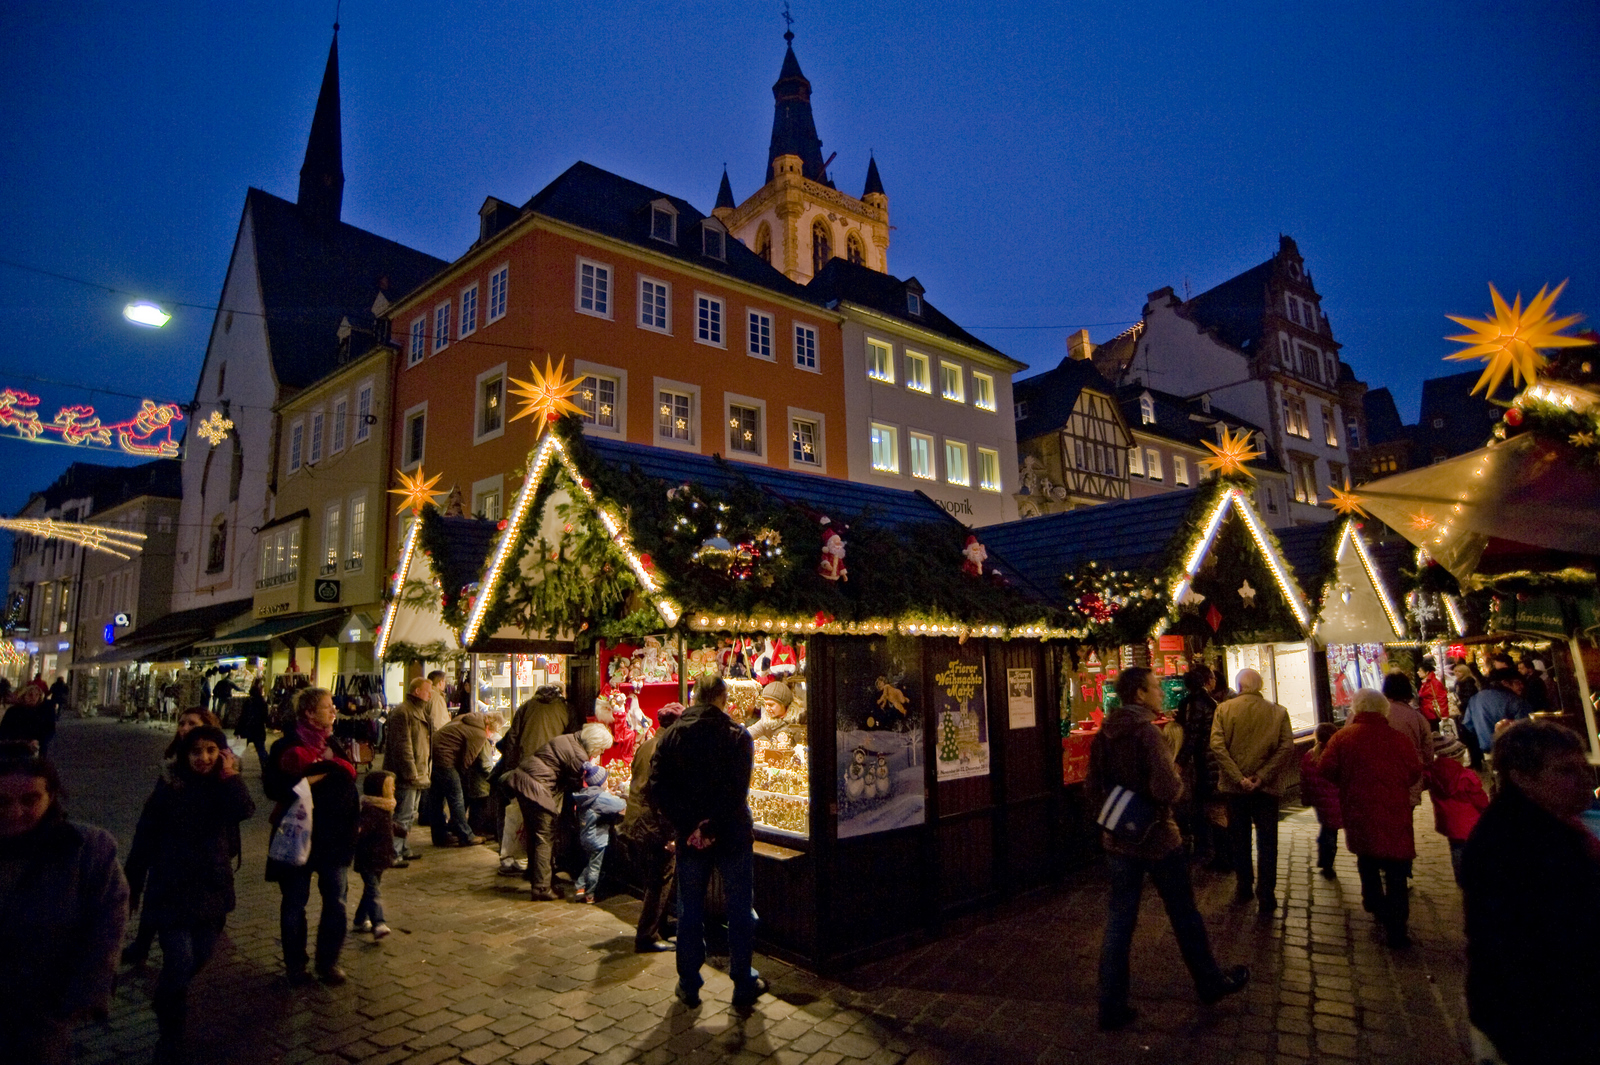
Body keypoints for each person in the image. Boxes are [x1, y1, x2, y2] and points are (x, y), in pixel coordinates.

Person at [1087, 667, 1249, 1031]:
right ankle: (1209, 982)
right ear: (1140, 695)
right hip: (1159, 839)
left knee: (1119, 920)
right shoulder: (1147, 733)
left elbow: (1092, 788)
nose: (1162, 693)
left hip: (1118, 841)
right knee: (1184, 913)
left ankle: (1111, 1004)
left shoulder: (1105, 734)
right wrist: (1177, 787)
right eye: (1156, 688)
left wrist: (1114, 818)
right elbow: (1165, 789)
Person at [1463, 721, 1600, 1065]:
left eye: (1584, 767)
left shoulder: (1552, 824)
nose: (1586, 779)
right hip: (1544, 1018)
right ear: (1522, 778)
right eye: (1566, 771)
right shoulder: (1521, 846)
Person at [124, 725, 255, 1063]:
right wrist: (133, 881)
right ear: (185, 754)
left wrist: (229, 773)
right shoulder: (170, 785)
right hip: (171, 886)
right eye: (197, 752)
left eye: (212, 751)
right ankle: (170, 1032)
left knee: (201, 954)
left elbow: (245, 809)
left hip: (211, 887)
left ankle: (167, 996)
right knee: (179, 959)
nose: (204, 758)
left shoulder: (223, 786)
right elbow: (145, 835)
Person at [648, 674, 771, 1011]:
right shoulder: (737, 735)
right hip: (730, 833)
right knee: (739, 907)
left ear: (695, 697)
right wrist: (712, 826)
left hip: (690, 837)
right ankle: (742, 979)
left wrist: (690, 827)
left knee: (690, 910)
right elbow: (736, 791)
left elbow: (657, 788)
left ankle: (689, 983)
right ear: (722, 698)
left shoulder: (672, 735)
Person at [0, 748, 129, 1065]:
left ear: (52, 795)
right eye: (1, 802)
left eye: (30, 800)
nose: (14, 812)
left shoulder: (88, 849)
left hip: (44, 1004)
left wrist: (91, 986)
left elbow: (109, 920)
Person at [264, 687, 360, 986]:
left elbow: (349, 776)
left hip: (334, 837)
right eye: (327, 707)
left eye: (333, 707)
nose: (334, 711)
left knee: (336, 901)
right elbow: (275, 789)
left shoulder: (332, 742)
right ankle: (296, 967)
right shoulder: (286, 746)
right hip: (298, 834)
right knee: (294, 902)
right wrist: (322, 773)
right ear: (308, 712)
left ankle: (328, 962)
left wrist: (326, 771)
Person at [1318, 689, 1423, 948]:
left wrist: (1348, 781)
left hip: (1359, 808)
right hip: (1394, 810)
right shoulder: (1398, 739)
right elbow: (1413, 772)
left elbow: (1326, 768)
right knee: (1397, 870)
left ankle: (1375, 903)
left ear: (1356, 708)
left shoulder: (1343, 738)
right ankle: (1397, 929)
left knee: (1368, 859)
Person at [122, 707, 226, 968]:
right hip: (168, 850)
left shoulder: (220, 765)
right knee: (158, 895)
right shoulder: (172, 769)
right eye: (181, 723)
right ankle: (143, 945)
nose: (184, 728)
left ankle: (147, 946)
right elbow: (152, 819)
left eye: (191, 723)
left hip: (205, 857)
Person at [1209, 669, 1296, 913]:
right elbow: (1286, 747)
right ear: (1260, 686)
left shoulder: (1224, 710)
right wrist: (1262, 776)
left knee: (1240, 839)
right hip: (1266, 789)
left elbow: (1217, 747)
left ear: (1238, 685)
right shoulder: (1278, 712)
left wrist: (1238, 779)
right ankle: (1266, 893)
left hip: (1235, 790)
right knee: (1268, 842)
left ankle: (1244, 886)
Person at [503, 722, 613, 901]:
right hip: (536, 788)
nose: (600, 753)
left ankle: (540, 876)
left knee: (535, 834)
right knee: (544, 837)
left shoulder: (572, 738)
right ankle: (541, 888)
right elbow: (577, 785)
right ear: (594, 743)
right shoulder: (578, 755)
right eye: (601, 749)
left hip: (524, 781)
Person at [622, 701, 683, 952]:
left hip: (636, 819)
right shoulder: (666, 749)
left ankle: (658, 925)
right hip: (653, 825)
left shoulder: (647, 743)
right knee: (659, 880)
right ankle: (647, 935)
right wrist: (670, 833)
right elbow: (662, 794)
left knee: (654, 879)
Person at [497, 684, 571, 875]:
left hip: (527, 769)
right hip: (554, 773)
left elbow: (512, 739)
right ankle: (546, 870)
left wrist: (511, 768)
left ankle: (533, 867)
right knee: (548, 823)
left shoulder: (526, 707)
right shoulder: (566, 708)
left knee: (530, 822)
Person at [1173, 666, 1223, 867]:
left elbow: (1192, 734)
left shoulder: (1196, 703)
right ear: (1206, 680)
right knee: (1212, 807)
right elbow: (1194, 735)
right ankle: (1219, 853)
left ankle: (1219, 854)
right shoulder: (1205, 702)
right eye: (1211, 677)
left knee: (1211, 807)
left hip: (1206, 760)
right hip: (1209, 759)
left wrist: (1180, 761)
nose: (1214, 681)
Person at [384, 677, 433, 862]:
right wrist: (410, 771)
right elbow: (403, 745)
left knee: (410, 813)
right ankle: (394, 852)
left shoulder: (417, 711)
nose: (429, 695)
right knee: (402, 814)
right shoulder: (403, 713)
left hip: (418, 772)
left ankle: (403, 848)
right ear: (417, 691)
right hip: (408, 774)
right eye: (427, 691)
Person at [429, 710, 491, 847]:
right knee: (457, 798)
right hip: (447, 760)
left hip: (435, 754)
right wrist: (462, 777)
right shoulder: (479, 733)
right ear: (489, 728)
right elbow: (467, 760)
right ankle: (466, 835)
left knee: (437, 799)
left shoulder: (467, 718)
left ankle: (439, 836)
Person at [352, 770, 402, 940]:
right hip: (369, 858)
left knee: (370, 890)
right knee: (374, 891)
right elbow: (362, 829)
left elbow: (388, 825)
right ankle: (378, 923)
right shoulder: (371, 810)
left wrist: (400, 830)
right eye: (390, 785)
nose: (394, 788)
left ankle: (359, 920)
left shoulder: (384, 807)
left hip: (380, 857)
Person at [1425, 756, 1488, 885]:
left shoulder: (1432, 774)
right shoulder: (1466, 777)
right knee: (1474, 851)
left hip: (1450, 824)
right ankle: (1475, 878)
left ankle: (1460, 878)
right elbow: (1480, 800)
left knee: (1456, 850)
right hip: (1471, 823)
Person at [571, 761, 626, 903]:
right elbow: (620, 804)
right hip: (597, 837)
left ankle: (580, 887)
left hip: (585, 836)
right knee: (595, 866)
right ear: (601, 782)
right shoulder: (600, 797)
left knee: (590, 863)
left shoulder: (586, 795)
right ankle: (590, 894)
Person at [1381, 673, 1434, 806]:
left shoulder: (1370, 713)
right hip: (1408, 779)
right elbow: (1428, 749)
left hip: (1377, 780)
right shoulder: (1416, 717)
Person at [1463, 670, 1530, 773]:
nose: (1521, 686)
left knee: (1497, 780)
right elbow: (1525, 727)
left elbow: (1468, 724)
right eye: (1518, 683)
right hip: (1513, 753)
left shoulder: (1475, 698)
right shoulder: (1515, 701)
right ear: (1505, 683)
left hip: (1487, 751)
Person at [1301, 723, 1343, 878]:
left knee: (1327, 829)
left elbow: (1304, 780)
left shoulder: (1309, 755)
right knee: (1331, 832)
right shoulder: (1337, 755)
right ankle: (1327, 863)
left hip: (1320, 802)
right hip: (1337, 800)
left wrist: (1306, 798)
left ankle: (1325, 861)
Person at [0, 682, 56, 756]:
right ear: (23, 695)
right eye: (30, 695)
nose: (33, 698)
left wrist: (40, 741)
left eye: (37, 695)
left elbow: (50, 729)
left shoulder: (44, 711)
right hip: (15, 749)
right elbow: (4, 730)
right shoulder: (14, 711)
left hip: (37, 749)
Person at [237, 679, 271, 770]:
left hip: (247, 728)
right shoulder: (262, 702)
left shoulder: (248, 702)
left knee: (239, 750)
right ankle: (266, 768)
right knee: (261, 750)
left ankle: (235, 767)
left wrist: (238, 730)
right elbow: (265, 716)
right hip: (258, 729)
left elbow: (243, 716)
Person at [1416, 658, 1449, 727]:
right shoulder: (1425, 683)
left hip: (1433, 714)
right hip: (1426, 713)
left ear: (1427, 672)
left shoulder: (1434, 683)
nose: (1417, 672)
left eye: (1420, 671)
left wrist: (1444, 715)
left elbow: (1442, 698)